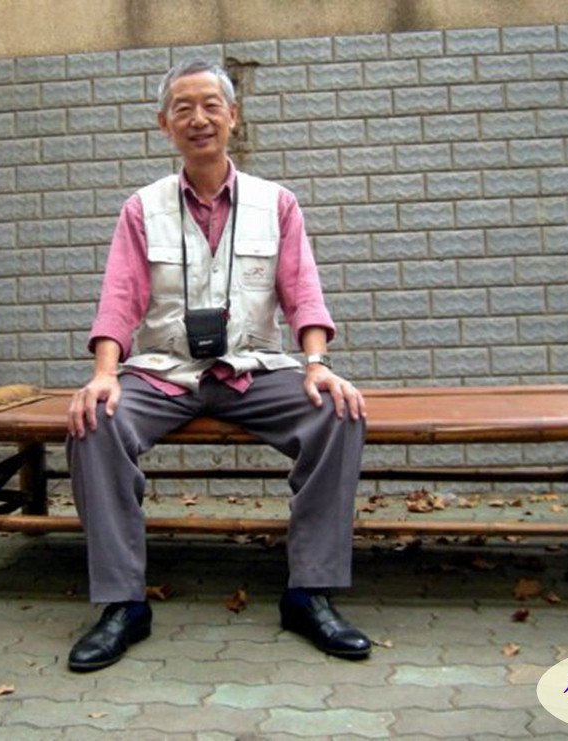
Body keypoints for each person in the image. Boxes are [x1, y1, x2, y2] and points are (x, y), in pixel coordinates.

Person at [64, 60, 369, 672]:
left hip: (253, 368)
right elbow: (119, 299)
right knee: (95, 422)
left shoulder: (276, 204)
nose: (198, 118)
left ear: (233, 115)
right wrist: (103, 374)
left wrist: (316, 364)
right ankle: (123, 603)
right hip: (164, 372)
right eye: (183, 108)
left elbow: (302, 291)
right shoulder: (141, 208)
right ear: (164, 124)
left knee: (338, 413)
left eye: (211, 105)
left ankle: (310, 592)